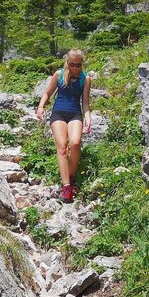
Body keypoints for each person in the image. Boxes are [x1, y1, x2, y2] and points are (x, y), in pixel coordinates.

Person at [36, 49, 91, 203]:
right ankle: (66, 187)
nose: (74, 68)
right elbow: (48, 93)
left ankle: (71, 176)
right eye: (71, 64)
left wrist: (88, 119)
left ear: (82, 64)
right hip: (58, 114)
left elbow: (85, 103)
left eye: (78, 65)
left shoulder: (85, 79)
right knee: (62, 147)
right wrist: (41, 107)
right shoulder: (59, 75)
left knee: (75, 143)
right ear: (67, 62)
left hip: (75, 114)